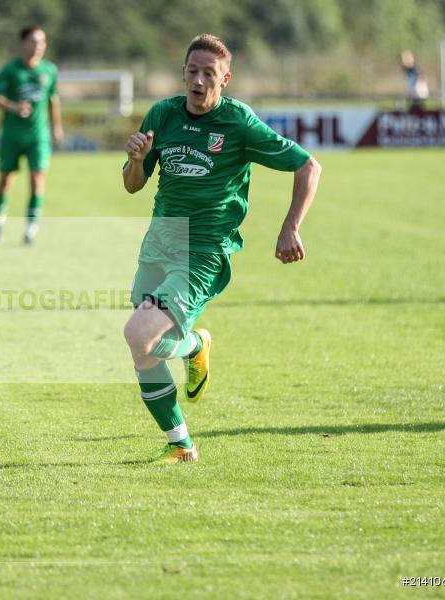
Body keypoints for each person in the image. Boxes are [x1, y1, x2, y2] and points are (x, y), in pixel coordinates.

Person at [122, 34, 322, 463]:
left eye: (208, 74)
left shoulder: (238, 123)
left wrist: (290, 227)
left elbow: (309, 165)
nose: (198, 81)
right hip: (159, 242)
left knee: (138, 334)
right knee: (143, 348)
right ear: (183, 73)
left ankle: (194, 346)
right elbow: (133, 185)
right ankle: (181, 444)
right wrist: (137, 160)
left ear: (224, 79)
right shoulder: (162, 114)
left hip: (203, 251)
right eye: (192, 71)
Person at [0, 26, 63, 245]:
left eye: (42, 42)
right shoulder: (11, 70)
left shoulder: (49, 70)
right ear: (22, 44)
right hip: (12, 135)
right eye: (34, 41)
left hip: (38, 136)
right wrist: (13, 107)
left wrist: (57, 127)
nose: (39, 46)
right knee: (5, 180)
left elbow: (53, 99)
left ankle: (31, 228)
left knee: (37, 178)